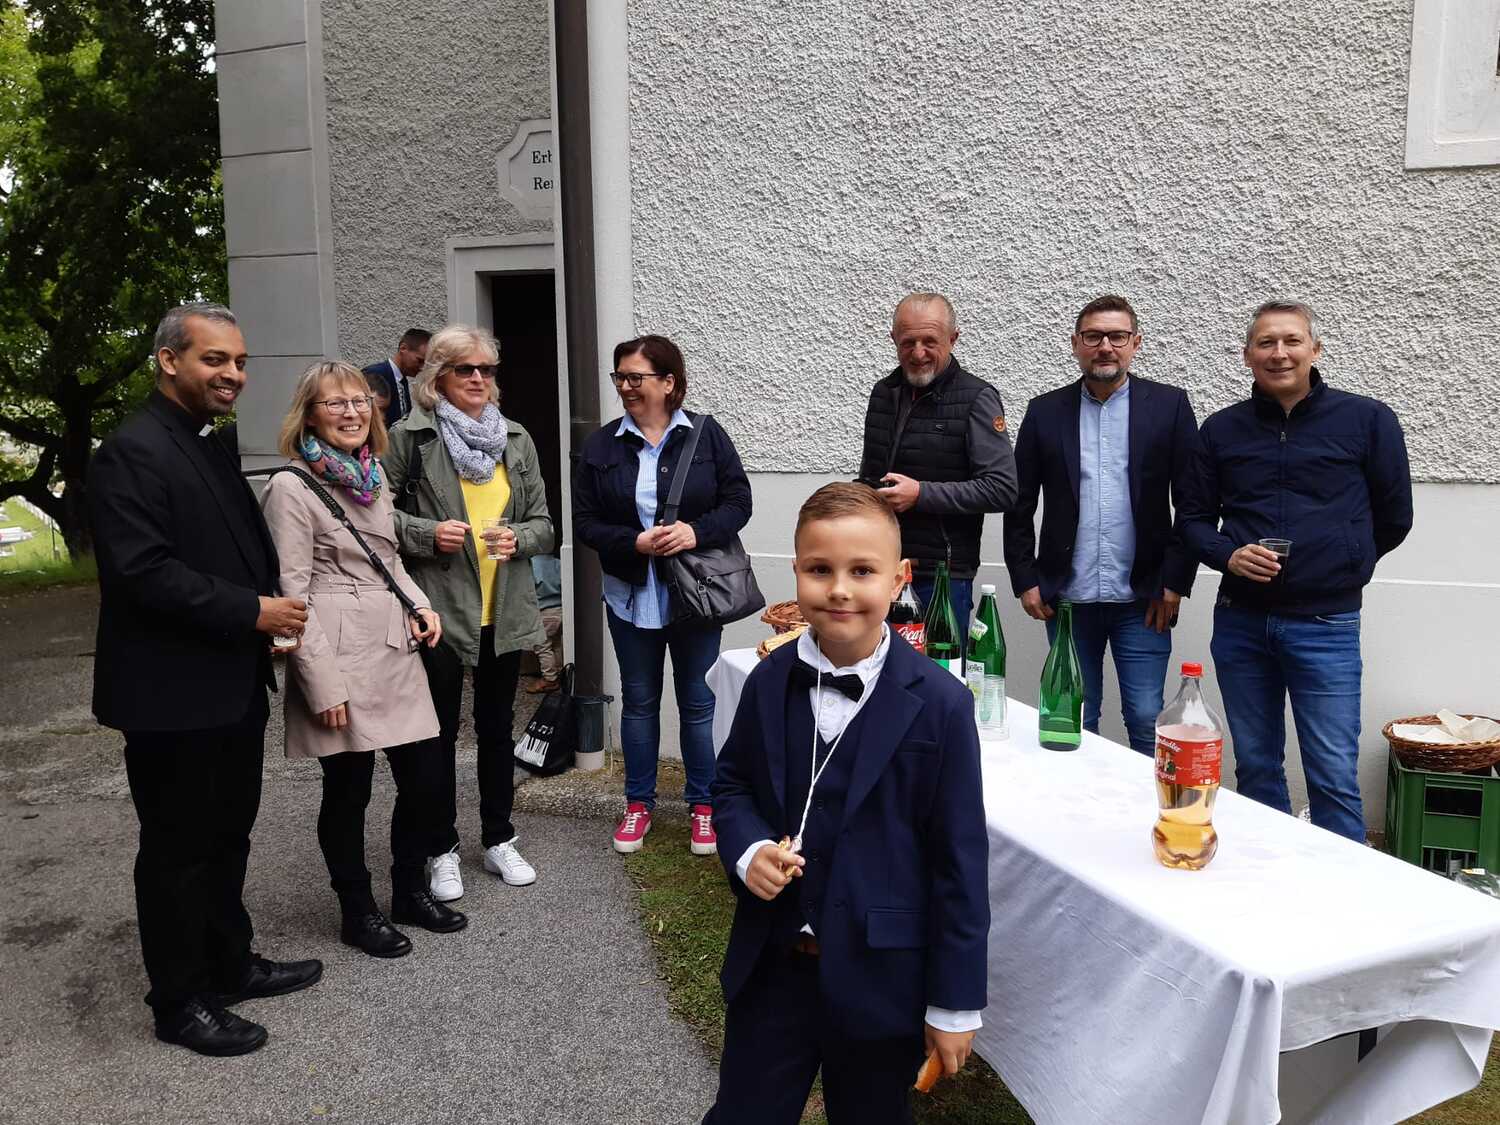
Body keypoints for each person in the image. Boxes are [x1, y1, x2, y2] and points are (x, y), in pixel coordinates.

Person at [705, 482, 989, 1125]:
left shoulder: (942, 705)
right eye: (819, 569)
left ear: (899, 578)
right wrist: (749, 850)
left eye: (862, 571)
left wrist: (953, 1004)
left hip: (881, 979)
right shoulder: (768, 679)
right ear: (796, 571)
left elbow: (959, 861)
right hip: (773, 968)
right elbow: (732, 785)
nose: (839, 590)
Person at [88, 303, 321, 1056]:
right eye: (215, 359)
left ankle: (229, 962)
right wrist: (254, 610)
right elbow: (141, 573)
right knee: (178, 851)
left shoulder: (206, 440)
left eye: (239, 362)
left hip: (230, 683)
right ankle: (180, 1001)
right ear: (169, 360)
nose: (233, 374)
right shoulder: (131, 451)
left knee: (227, 836)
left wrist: (269, 611)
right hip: (170, 695)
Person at [1178, 299, 1413, 842]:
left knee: (1332, 774)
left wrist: (1343, 564)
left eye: (1291, 341)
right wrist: (1228, 555)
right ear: (1247, 355)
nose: (1279, 353)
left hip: (1326, 623)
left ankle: (1344, 887)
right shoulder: (1221, 430)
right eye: (1266, 343)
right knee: (1256, 766)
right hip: (1241, 621)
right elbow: (1191, 520)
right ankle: (1269, 876)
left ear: (1315, 349)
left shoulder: (1367, 420)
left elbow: (1395, 516)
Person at [260, 361, 463, 957]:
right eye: (335, 403)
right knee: (349, 792)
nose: (351, 412)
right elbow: (291, 595)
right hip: (338, 656)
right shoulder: (291, 487)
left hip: (395, 649)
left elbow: (389, 560)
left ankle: (408, 890)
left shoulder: (372, 476)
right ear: (309, 416)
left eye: (360, 402)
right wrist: (321, 684)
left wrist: (421, 605)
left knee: (424, 780)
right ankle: (357, 909)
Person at [385, 324, 553, 900]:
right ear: (438, 376)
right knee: (435, 736)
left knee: (496, 730)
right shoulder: (410, 437)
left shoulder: (515, 437)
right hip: (437, 609)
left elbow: (544, 524)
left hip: (501, 609)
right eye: (465, 368)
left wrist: (520, 539)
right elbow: (376, 519)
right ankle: (442, 848)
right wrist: (428, 533)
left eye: (487, 369)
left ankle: (499, 837)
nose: (479, 378)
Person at [573, 334, 753, 856]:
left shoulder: (706, 435)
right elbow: (584, 521)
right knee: (639, 702)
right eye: (620, 377)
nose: (626, 387)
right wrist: (633, 542)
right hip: (630, 594)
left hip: (696, 594)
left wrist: (695, 532)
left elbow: (738, 501)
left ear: (669, 382)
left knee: (698, 702)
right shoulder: (601, 446)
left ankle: (704, 806)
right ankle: (638, 803)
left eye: (637, 377)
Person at [1002, 295, 1200, 755]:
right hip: (1067, 599)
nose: (1105, 346)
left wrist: (1175, 582)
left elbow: (1192, 502)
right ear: (1076, 344)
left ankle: (1145, 799)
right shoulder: (1045, 411)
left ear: (1136, 343)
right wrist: (1025, 579)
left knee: (1146, 715)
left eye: (1117, 336)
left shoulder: (1169, 406)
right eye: (1093, 337)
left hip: (1144, 599)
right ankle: (1075, 800)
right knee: (1073, 715)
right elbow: (1018, 503)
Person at [858, 292, 1018, 633]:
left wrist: (921, 494)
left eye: (930, 341)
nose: (918, 353)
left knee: (937, 668)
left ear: (953, 339)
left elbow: (1002, 489)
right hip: (880, 567)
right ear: (893, 339)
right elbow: (871, 475)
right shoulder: (883, 393)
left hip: (941, 578)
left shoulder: (977, 398)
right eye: (908, 342)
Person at [364, 327, 431, 429]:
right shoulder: (375, 374)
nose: (422, 368)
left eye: (425, 363)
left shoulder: (402, 380)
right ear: (403, 348)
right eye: (420, 360)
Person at [525, 554, 564, 693]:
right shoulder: (558, 562)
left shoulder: (530, 564)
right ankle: (559, 673)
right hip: (560, 609)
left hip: (543, 611)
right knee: (557, 644)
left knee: (543, 647)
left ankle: (550, 679)